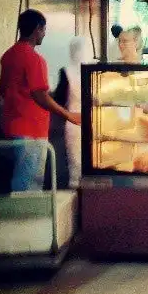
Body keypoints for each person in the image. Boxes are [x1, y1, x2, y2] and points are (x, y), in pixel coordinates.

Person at [0, 10, 81, 191]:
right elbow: (40, 95)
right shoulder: (34, 59)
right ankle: (24, 217)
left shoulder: (8, 56)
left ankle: (20, 214)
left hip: (11, 127)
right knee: (29, 181)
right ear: (37, 29)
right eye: (43, 30)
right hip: (31, 129)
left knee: (20, 177)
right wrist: (68, 115)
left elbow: (2, 92)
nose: (44, 34)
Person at [54, 37, 91, 188]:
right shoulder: (93, 69)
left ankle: (77, 199)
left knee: (75, 163)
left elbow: (59, 99)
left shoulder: (66, 72)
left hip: (73, 121)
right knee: (90, 162)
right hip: (94, 120)